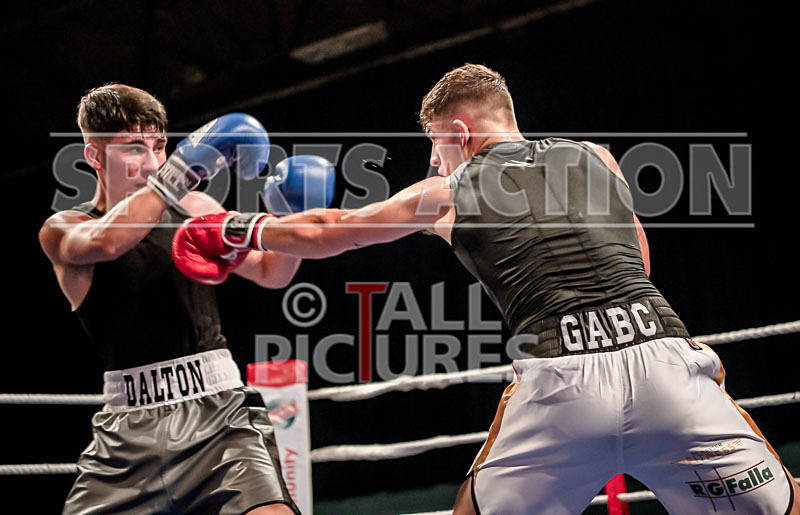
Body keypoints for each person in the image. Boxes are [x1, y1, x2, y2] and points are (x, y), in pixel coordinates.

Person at [175, 64, 800, 514]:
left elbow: (332, 232)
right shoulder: (595, 157)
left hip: (561, 384)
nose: (434, 160)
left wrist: (231, 226)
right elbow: (637, 255)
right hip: (663, 359)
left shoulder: (444, 192)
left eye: (435, 145)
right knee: (780, 504)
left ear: (461, 131)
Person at [39, 83, 301, 514]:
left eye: (160, 146)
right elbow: (106, 244)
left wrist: (293, 213)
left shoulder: (195, 205)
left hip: (221, 418)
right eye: (134, 147)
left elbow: (273, 272)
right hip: (127, 436)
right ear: (94, 156)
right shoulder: (64, 227)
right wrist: (176, 174)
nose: (153, 160)